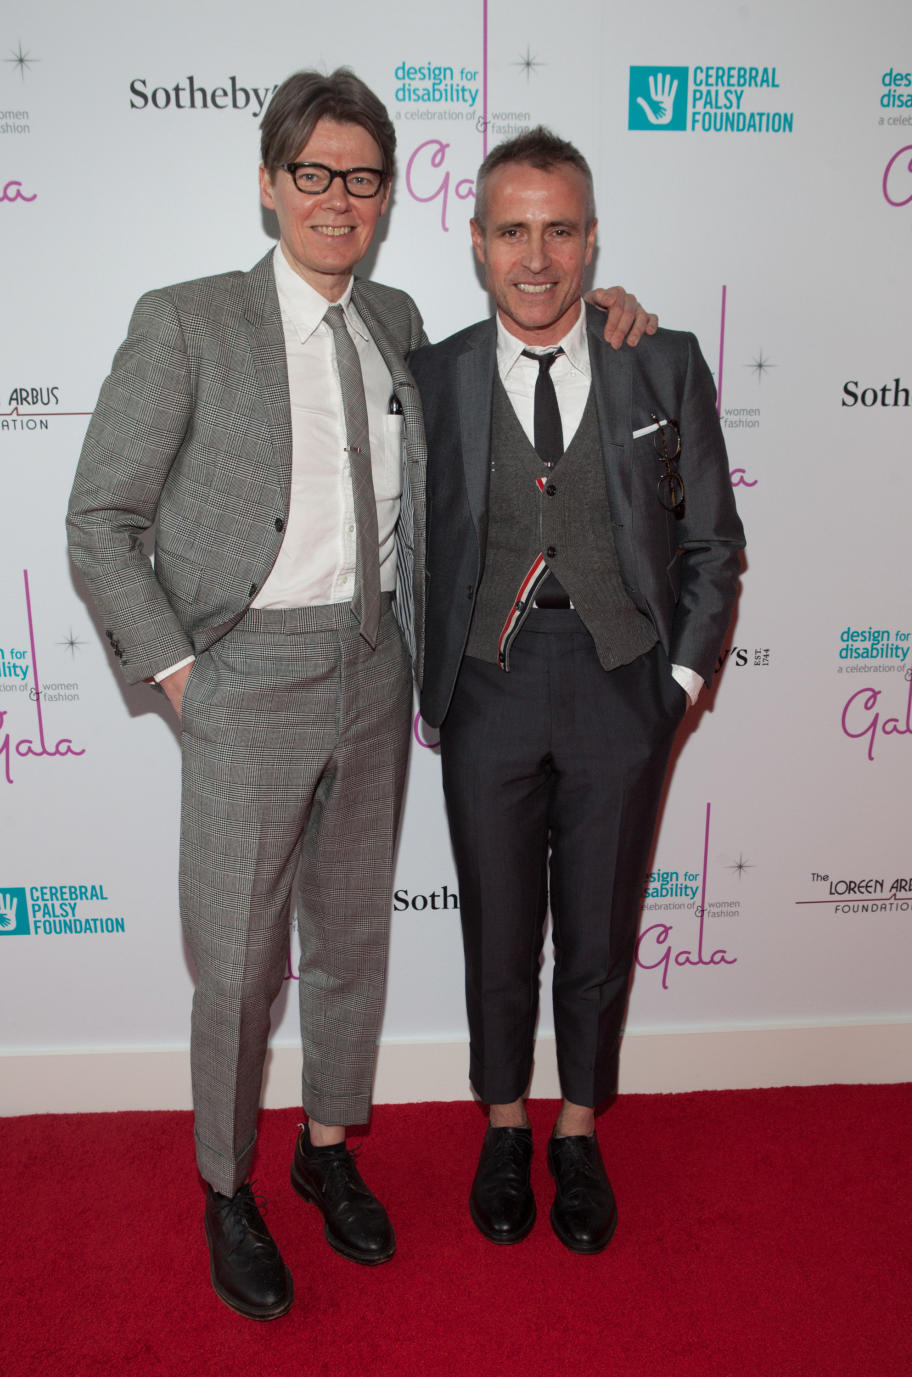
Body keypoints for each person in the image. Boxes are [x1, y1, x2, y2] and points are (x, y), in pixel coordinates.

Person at [67, 74, 651, 1319]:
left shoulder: (397, 318)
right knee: (235, 967)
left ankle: (326, 1149)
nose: (341, 200)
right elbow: (101, 521)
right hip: (245, 678)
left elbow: (525, 356)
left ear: (389, 198)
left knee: (351, 947)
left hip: (379, 669)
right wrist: (182, 677)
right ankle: (229, 1189)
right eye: (316, 174)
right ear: (272, 184)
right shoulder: (188, 322)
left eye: (364, 178)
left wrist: (608, 318)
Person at [411, 128, 744, 1255]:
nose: (538, 257)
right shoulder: (434, 374)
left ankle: (577, 1130)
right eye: (514, 231)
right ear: (477, 244)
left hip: (620, 686)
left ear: (593, 241)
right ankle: (503, 1125)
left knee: (598, 935)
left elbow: (712, 542)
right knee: (500, 933)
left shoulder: (661, 361)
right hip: (489, 688)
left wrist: (680, 683)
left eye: (561, 230)